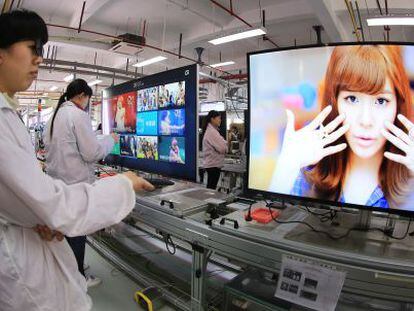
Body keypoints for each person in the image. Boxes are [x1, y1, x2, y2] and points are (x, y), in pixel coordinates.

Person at [0, 9, 154, 311]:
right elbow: (91, 154)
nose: (39, 59)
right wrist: (124, 182)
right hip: (44, 220)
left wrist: (37, 215)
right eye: (32, 47)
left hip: (47, 200)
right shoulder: (69, 115)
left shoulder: (45, 114)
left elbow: (22, 188)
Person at [270, 45, 413, 209]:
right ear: (335, 102)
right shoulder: (306, 175)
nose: (366, 120)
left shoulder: (411, 179)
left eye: (381, 101)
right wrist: (286, 164)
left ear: (398, 105)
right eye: (352, 98)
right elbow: (272, 223)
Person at [43, 78, 123, 287]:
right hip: (75, 185)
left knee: (66, 232)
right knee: (77, 233)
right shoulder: (78, 115)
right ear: (81, 96)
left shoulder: (54, 116)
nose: (87, 103)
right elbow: (91, 153)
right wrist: (110, 140)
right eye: (88, 98)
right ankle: (78, 278)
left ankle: (68, 271)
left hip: (58, 184)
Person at [202, 110, 228, 189]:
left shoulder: (213, 131)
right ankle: (208, 201)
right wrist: (226, 146)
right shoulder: (212, 132)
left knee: (211, 186)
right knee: (211, 188)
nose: (220, 120)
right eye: (218, 118)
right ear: (212, 119)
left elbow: (222, 144)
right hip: (213, 165)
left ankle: (208, 200)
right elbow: (222, 148)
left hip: (213, 165)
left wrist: (224, 144)